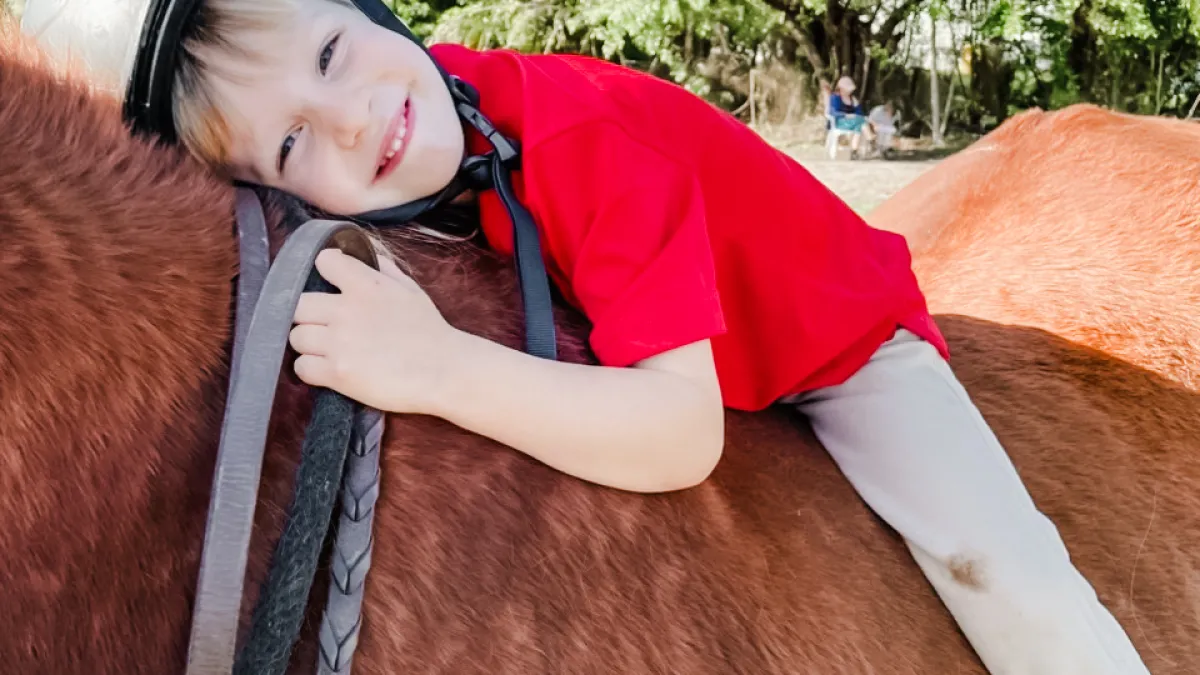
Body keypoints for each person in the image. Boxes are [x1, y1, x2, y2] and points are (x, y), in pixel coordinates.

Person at [21, 1, 1153, 673]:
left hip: (832, 341)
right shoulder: (426, 133)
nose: (354, 121)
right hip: (678, 329)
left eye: (327, 59)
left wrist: (439, 366)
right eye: (289, 148)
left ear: (366, 14)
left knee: (999, 568)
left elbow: (678, 435)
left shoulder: (579, 138)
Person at [828, 75, 866, 158]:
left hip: (854, 123)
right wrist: (846, 115)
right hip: (839, 122)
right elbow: (832, 112)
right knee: (861, 123)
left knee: (860, 123)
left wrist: (856, 108)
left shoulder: (852, 99)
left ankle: (854, 152)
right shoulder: (835, 98)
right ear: (841, 88)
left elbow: (860, 113)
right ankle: (869, 142)